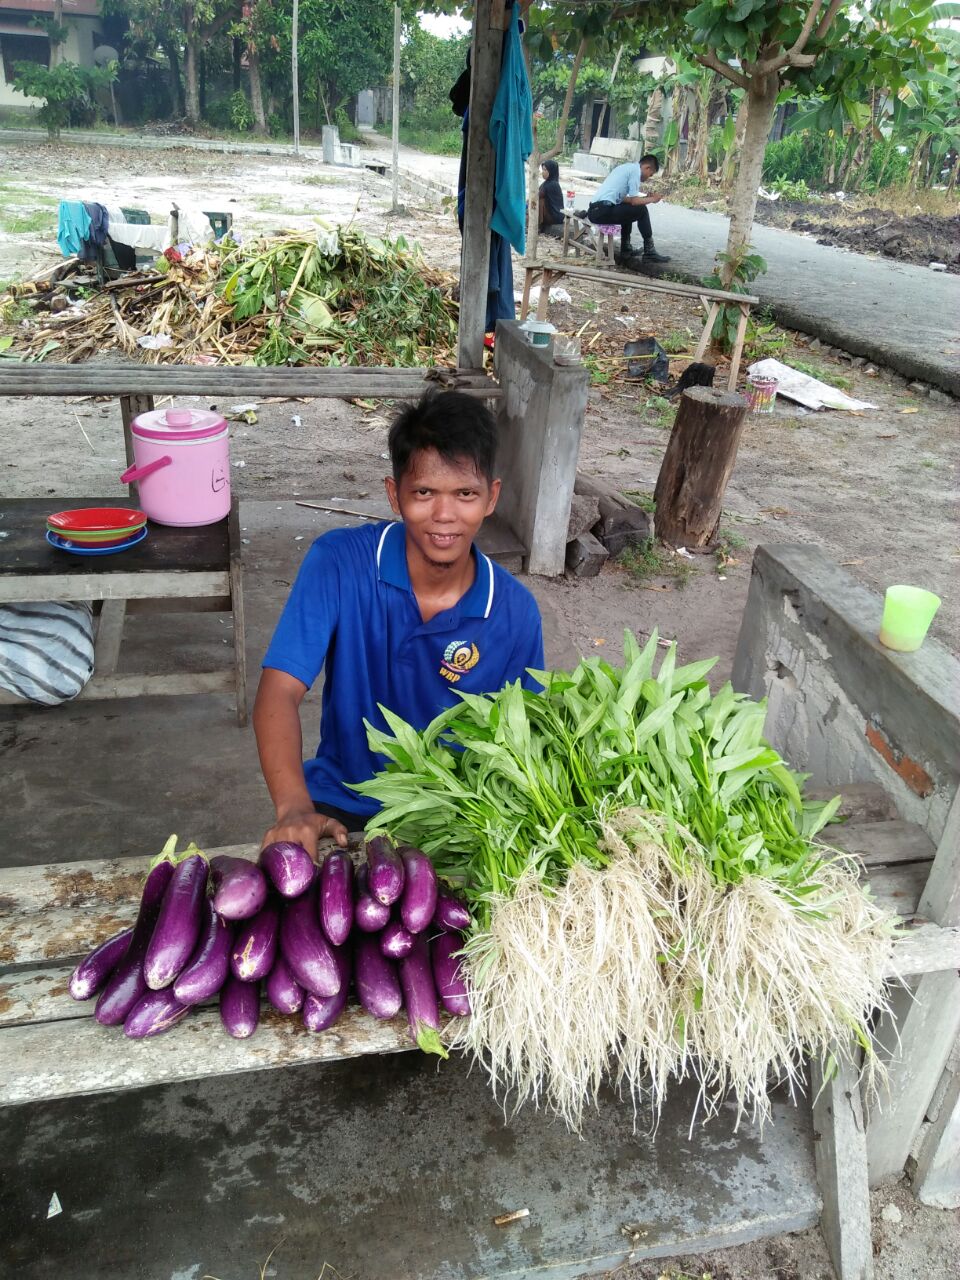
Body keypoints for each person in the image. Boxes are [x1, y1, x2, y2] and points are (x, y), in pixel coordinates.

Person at [252, 391, 545, 856]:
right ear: (395, 495)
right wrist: (292, 809)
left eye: (465, 494)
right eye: (424, 492)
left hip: (455, 820)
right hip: (341, 806)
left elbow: (527, 740)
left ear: (491, 497)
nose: (445, 516)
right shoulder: (339, 563)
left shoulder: (514, 612)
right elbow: (280, 688)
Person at [586, 154, 671, 264]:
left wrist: (646, 198)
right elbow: (635, 201)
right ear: (647, 167)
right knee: (642, 210)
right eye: (650, 174)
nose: (648, 178)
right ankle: (649, 251)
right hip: (601, 210)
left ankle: (626, 249)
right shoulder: (635, 172)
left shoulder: (626, 168)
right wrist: (652, 199)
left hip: (596, 210)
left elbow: (626, 200)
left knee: (629, 209)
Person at [538, 159, 565, 237]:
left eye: (545, 170)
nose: (542, 172)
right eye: (542, 169)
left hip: (555, 216)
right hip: (551, 214)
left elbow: (537, 197)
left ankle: (538, 225)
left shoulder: (552, 184)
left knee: (540, 201)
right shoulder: (547, 183)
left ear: (551, 171)